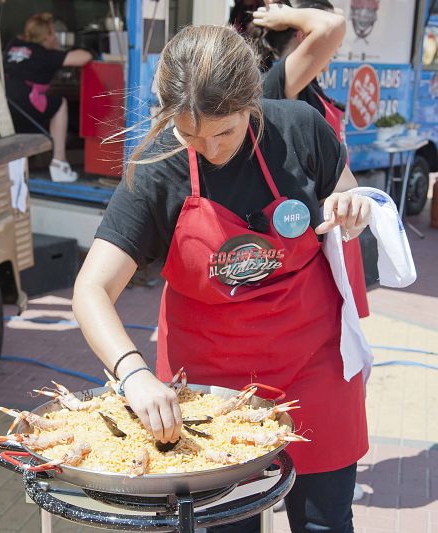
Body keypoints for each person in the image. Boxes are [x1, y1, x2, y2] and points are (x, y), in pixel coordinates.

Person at [73, 25, 393, 532]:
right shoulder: (159, 170)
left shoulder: (301, 130)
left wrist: (352, 207)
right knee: (224, 524)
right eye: (189, 133)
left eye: (224, 131)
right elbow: (91, 290)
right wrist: (133, 374)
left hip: (315, 365)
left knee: (326, 521)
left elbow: (344, 192)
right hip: (207, 387)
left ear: (252, 104)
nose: (210, 149)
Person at [255, 0, 371, 319]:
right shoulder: (279, 81)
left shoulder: (307, 83)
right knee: (328, 333)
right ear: (303, 36)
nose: (334, 49)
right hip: (313, 234)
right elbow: (334, 26)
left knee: (345, 334)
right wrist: (286, 15)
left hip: (335, 220)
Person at [4, 13, 92, 182]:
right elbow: (84, 57)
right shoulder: (44, 55)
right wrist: (59, 49)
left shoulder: (13, 45)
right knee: (60, 104)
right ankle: (59, 162)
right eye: (53, 33)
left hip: (4, 104)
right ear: (48, 36)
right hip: (25, 104)